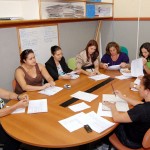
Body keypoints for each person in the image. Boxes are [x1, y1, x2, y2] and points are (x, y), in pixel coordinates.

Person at [104, 74, 150, 149]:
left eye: (140, 87)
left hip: (131, 141)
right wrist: (123, 97)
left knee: (112, 124)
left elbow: (117, 118)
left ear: (147, 91)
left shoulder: (141, 110)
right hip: (141, 136)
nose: (139, 89)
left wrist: (112, 106)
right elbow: (141, 103)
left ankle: (103, 144)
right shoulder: (146, 106)